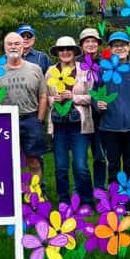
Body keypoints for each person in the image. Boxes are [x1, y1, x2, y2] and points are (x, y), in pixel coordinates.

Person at [0, 32, 48, 188]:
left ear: (23, 46)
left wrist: (39, 120)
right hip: (5, 121)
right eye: (10, 44)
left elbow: (43, 96)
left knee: (34, 161)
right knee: (5, 162)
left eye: (17, 43)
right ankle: (10, 198)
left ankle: (36, 196)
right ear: (4, 47)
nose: (13, 47)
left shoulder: (35, 68)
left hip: (30, 119)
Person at [46, 37, 93, 204]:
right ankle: (64, 201)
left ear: (74, 52)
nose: (65, 52)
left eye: (69, 49)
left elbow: (92, 96)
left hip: (78, 125)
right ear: (57, 53)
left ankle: (87, 200)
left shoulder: (84, 70)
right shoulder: (51, 71)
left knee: (80, 166)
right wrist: (55, 99)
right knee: (60, 167)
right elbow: (46, 97)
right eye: (61, 49)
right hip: (59, 125)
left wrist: (73, 97)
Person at [96, 32, 130, 186]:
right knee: (114, 167)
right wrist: (97, 103)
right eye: (115, 46)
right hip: (110, 127)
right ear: (110, 49)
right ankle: (114, 204)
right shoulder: (102, 70)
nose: (120, 48)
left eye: (123, 45)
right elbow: (95, 94)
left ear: (129, 47)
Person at [79, 27, 107, 190]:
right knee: (80, 159)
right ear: (81, 44)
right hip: (81, 116)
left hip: (100, 117)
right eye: (87, 41)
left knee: (100, 156)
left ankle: (100, 189)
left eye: (93, 41)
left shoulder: (105, 63)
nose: (90, 44)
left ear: (98, 44)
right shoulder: (76, 63)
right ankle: (81, 190)